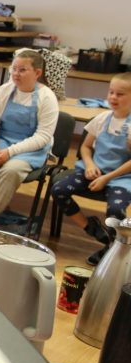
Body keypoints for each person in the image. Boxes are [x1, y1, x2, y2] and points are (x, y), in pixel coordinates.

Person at [0, 48, 58, 228]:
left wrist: (10, 152)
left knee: (10, 171)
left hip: (30, 149)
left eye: (22, 70)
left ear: (37, 73)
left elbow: (43, 136)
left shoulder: (47, 97)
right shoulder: (4, 90)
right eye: (14, 69)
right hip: (0, 141)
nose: (16, 74)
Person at [50, 72, 131, 265]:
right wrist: (90, 164)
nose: (113, 97)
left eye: (120, 94)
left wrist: (106, 178)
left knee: (116, 210)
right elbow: (85, 147)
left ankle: (112, 248)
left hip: (121, 177)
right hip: (94, 171)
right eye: (111, 92)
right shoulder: (102, 119)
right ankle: (92, 228)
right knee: (59, 190)